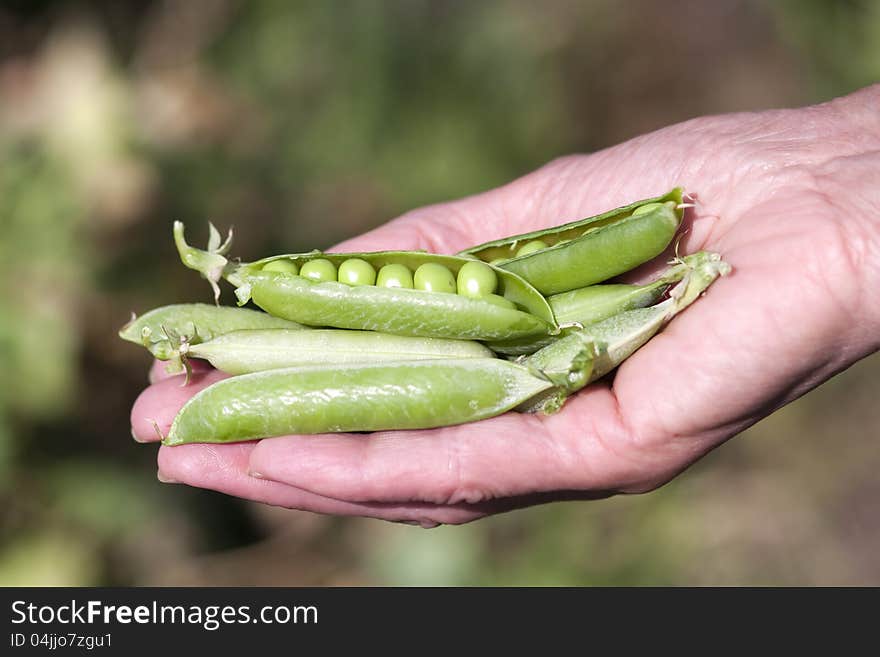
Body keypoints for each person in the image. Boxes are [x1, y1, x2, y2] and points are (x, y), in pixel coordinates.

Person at [130, 84, 880, 528]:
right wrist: (833, 183)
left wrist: (837, 205)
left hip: (547, 335)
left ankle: (648, 288)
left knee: (494, 312)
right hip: (541, 340)